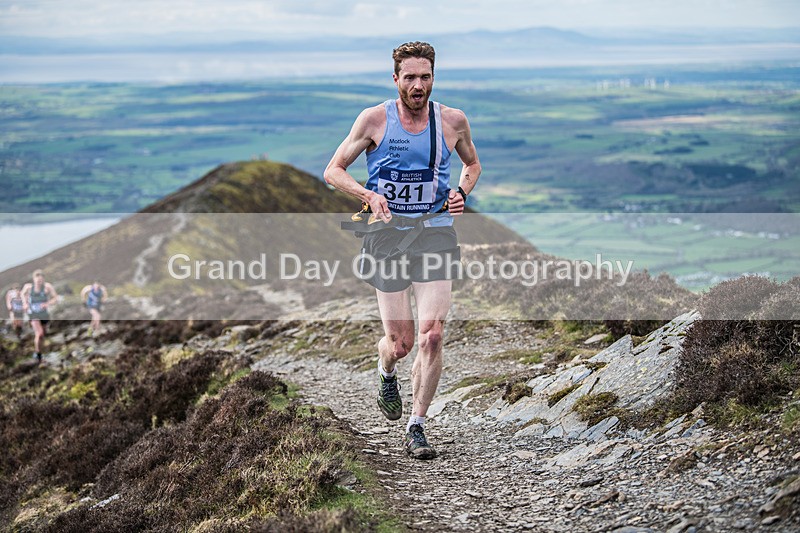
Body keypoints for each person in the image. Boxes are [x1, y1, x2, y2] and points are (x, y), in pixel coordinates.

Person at [324, 41, 481, 459]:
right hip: (387, 236)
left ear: (434, 78)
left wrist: (461, 192)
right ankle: (386, 368)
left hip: (434, 231)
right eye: (409, 77)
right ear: (395, 79)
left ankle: (417, 425)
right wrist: (368, 195)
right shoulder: (375, 120)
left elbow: (472, 165)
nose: (417, 85)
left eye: (424, 77)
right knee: (402, 343)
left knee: (432, 335)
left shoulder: (452, 121)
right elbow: (332, 171)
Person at [20, 269, 59, 363]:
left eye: (41, 281)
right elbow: (22, 294)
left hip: (44, 314)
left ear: (43, 280)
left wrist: (47, 303)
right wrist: (25, 303)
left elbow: (56, 298)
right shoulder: (28, 287)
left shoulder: (47, 287)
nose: (39, 282)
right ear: (34, 279)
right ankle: (37, 353)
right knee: (39, 333)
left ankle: (40, 350)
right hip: (33, 314)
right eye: (37, 281)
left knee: (43, 334)